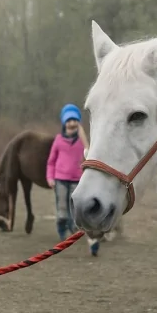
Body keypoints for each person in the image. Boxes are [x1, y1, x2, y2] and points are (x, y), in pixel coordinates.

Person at [46, 103, 88, 240]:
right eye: (69, 121)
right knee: (62, 208)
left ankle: (72, 226)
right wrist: (50, 178)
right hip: (60, 179)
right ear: (64, 123)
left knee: (73, 206)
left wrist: (83, 138)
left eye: (75, 120)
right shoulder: (58, 140)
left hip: (77, 179)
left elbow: (88, 153)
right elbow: (51, 161)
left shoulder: (81, 142)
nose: (72, 123)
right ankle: (61, 228)